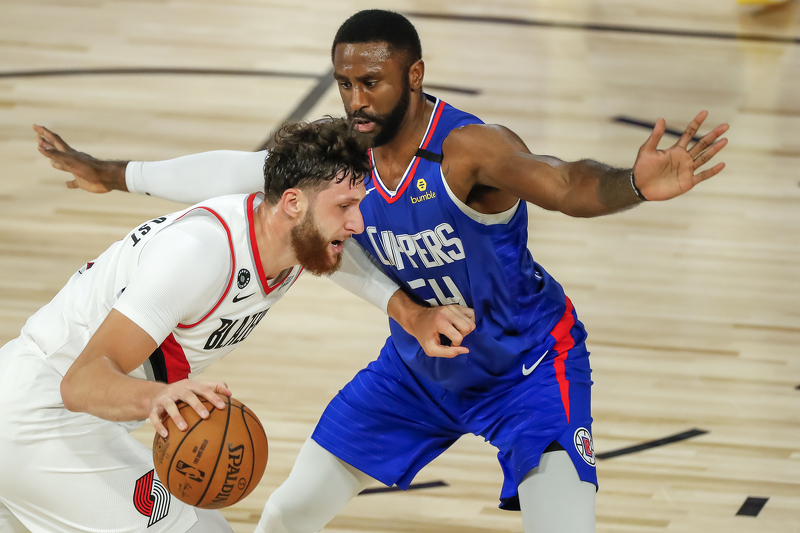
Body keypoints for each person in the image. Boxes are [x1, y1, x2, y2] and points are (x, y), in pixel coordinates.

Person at [35, 10, 729, 533]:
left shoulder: (467, 151)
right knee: (287, 513)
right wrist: (113, 173)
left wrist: (631, 186)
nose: (357, 99)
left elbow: (567, 182)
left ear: (414, 76)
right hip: (415, 370)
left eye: (371, 82)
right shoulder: (345, 157)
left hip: (524, 369)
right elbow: (234, 169)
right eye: (345, 83)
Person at [3, 117, 473, 533]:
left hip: (72, 418)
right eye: (345, 207)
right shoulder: (198, 254)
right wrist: (158, 396)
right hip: (39, 415)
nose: (359, 223)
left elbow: (225, 176)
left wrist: (412, 315)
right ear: (292, 203)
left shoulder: (291, 238)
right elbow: (80, 382)